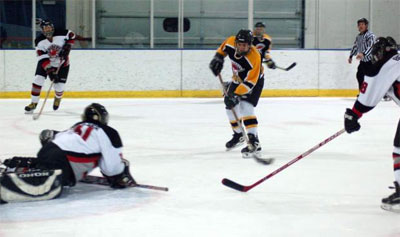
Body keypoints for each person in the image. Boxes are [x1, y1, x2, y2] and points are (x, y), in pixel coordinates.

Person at [0, 103, 136, 203]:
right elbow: (111, 168)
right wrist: (120, 175)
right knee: (50, 186)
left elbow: (48, 136)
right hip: (64, 161)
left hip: (49, 149)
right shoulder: (109, 132)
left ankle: (17, 164)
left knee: (45, 166)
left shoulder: (78, 126)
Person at [344, 36, 400, 212]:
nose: (376, 57)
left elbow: (369, 94)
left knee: (399, 149)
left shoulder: (388, 62)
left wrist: (354, 114)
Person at [209, 29, 264, 158]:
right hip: (238, 78)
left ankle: (254, 140)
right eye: (239, 44)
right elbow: (223, 48)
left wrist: (236, 94)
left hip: (254, 81)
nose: (241, 47)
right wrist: (218, 59)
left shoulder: (255, 57)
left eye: (245, 45)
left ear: (250, 45)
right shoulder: (230, 42)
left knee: (246, 107)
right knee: (230, 108)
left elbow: (250, 82)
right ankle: (239, 135)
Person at [24, 19, 75, 113]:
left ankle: (58, 97)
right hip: (46, 63)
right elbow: (42, 58)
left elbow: (72, 35)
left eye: (49, 27)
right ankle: (33, 103)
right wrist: (50, 72)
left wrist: (68, 46)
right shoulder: (39, 41)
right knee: (37, 80)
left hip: (62, 64)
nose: (48, 30)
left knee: (59, 87)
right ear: (42, 30)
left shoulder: (61, 33)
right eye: (45, 28)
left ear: (52, 27)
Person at [348, 18, 376, 91]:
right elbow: (355, 46)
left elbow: (371, 46)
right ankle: (362, 93)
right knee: (359, 75)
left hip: (372, 61)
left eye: (362, 24)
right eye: (359, 25)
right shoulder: (358, 37)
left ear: (366, 25)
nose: (360, 26)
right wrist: (351, 56)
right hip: (363, 62)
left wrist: (363, 54)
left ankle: (384, 93)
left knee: (374, 78)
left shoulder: (370, 35)